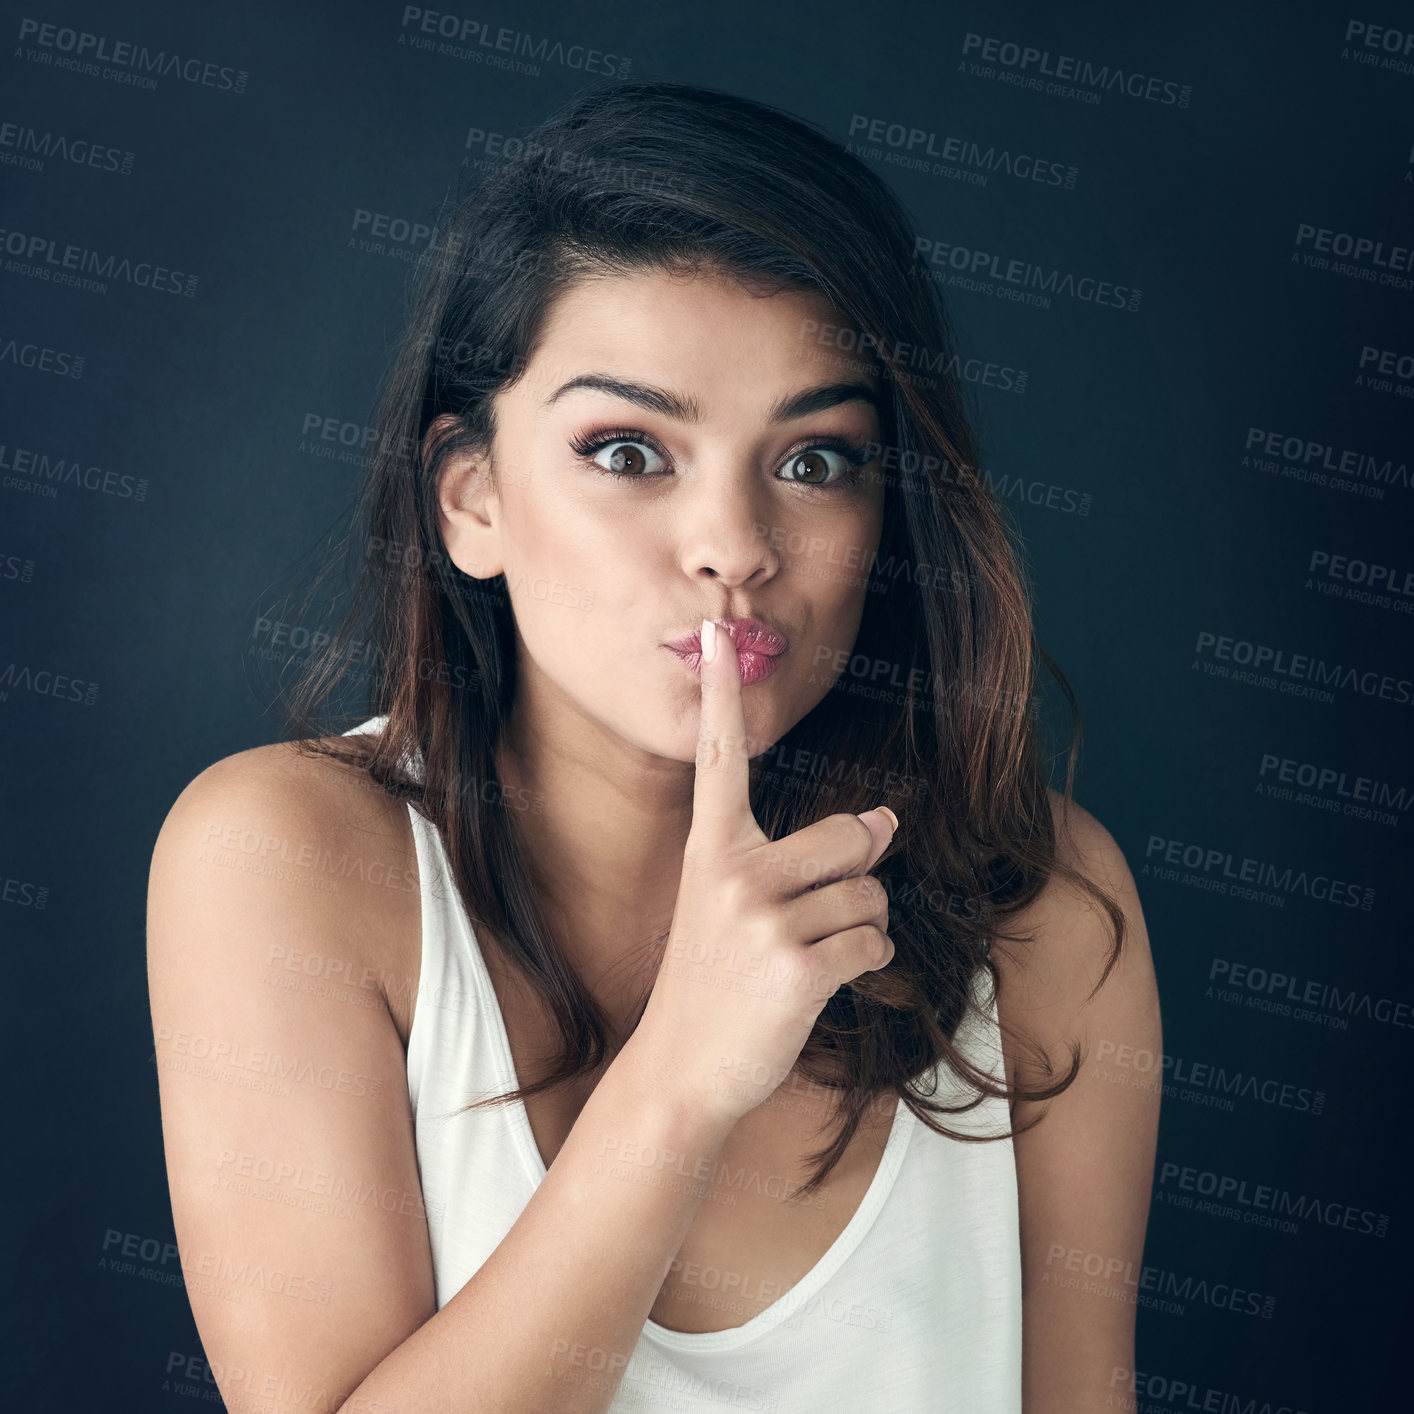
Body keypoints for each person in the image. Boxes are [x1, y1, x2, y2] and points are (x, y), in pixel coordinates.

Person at [147, 79, 1161, 1413]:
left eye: (814, 460)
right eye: (628, 449)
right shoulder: (284, 860)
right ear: (473, 500)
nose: (733, 547)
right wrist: (682, 1077)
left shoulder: (1036, 903)